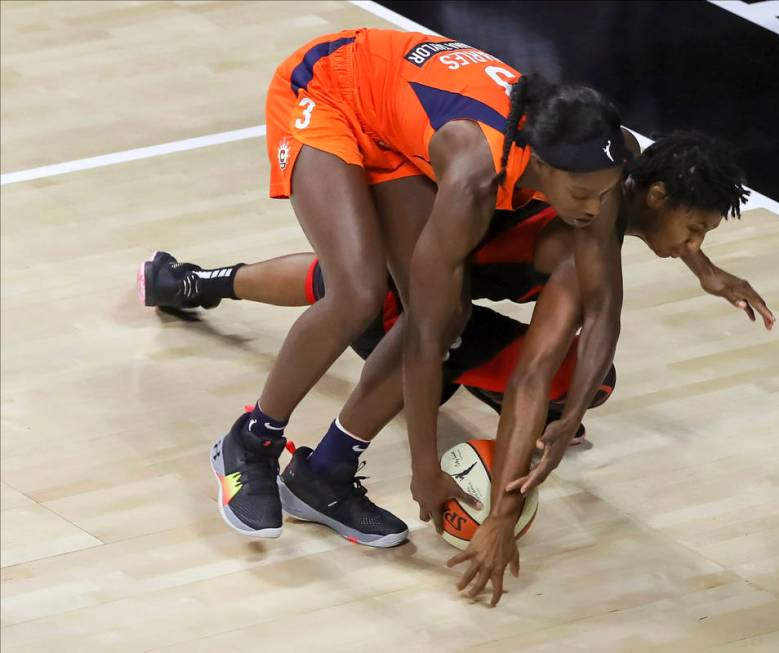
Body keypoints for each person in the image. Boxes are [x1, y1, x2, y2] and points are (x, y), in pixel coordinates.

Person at [143, 133, 773, 559]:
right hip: (426, 293)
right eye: (694, 231)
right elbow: (535, 369)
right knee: (387, 301)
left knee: (583, 380)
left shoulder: (610, 176)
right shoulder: (582, 225)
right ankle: (321, 470)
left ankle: (193, 280)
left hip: (449, 284)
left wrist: (705, 269)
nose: (693, 242)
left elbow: (660, 234)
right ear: (655, 196)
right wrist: (500, 511)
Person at [162, 27, 632, 539]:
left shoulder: (604, 156)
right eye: (583, 193)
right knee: (359, 292)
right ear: (540, 164)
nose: (595, 207)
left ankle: (327, 475)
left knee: (446, 311)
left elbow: (603, 300)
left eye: (605, 195)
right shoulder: (476, 175)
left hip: (394, 122)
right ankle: (250, 441)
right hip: (329, 91)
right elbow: (424, 339)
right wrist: (424, 469)